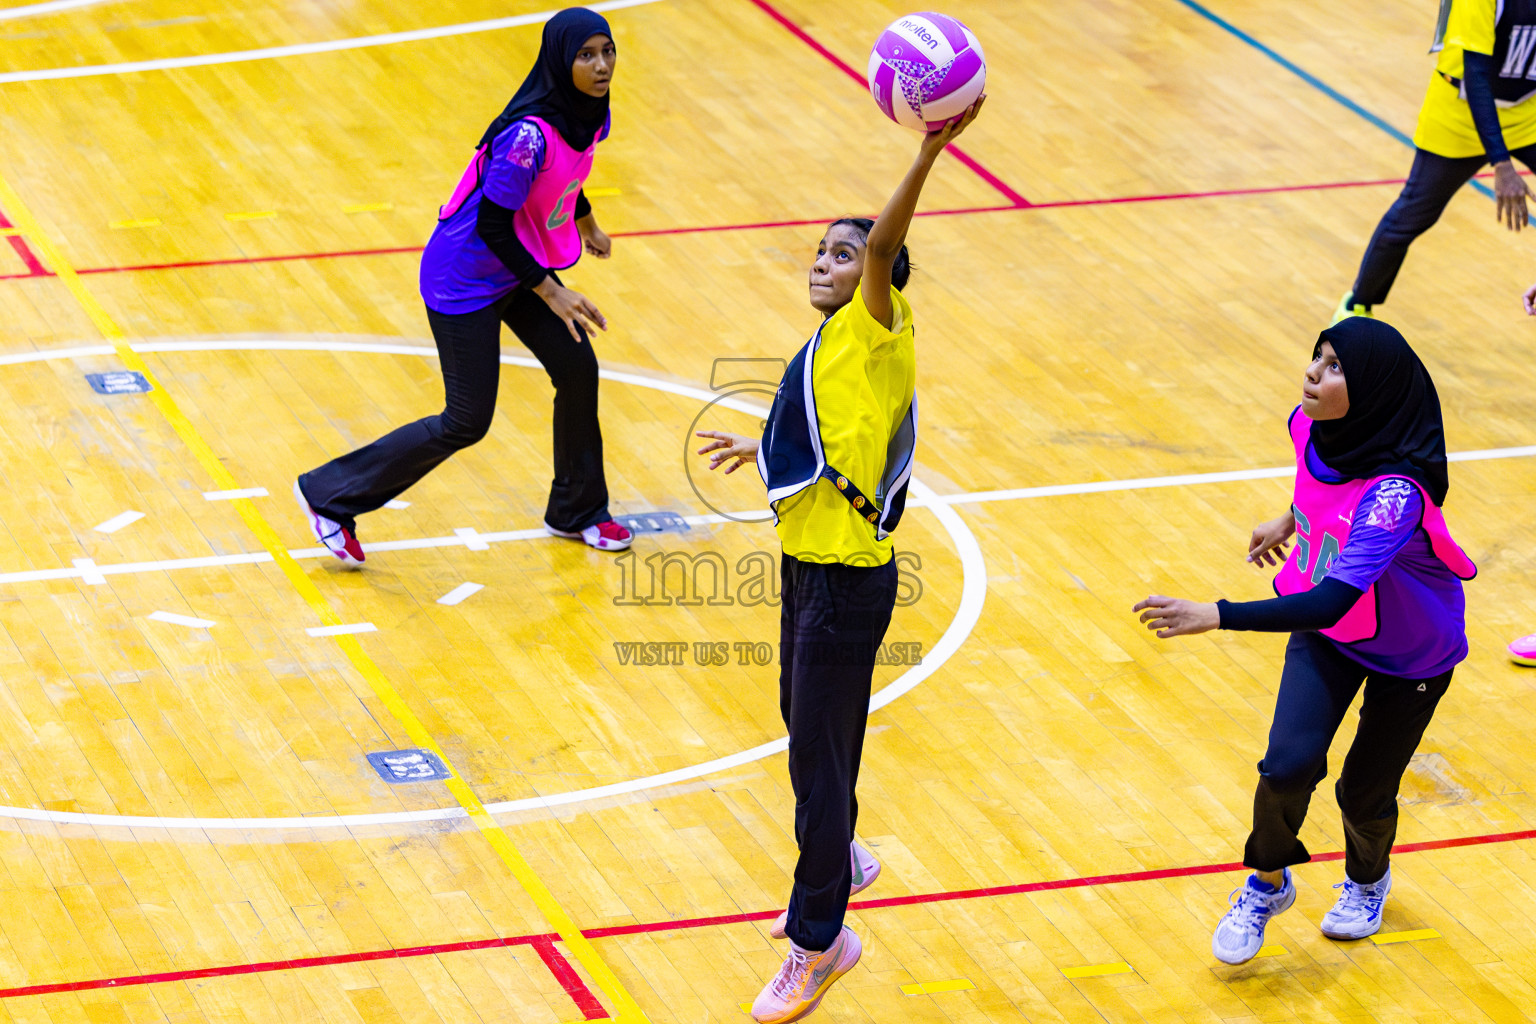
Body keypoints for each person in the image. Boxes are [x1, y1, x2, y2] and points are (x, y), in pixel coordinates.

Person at [694, 98, 984, 1023]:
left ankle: (824, 941)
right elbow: (825, 426)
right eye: (820, 251)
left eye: (845, 253)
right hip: (806, 565)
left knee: (818, 768)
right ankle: (845, 850)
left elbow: (889, 241)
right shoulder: (829, 342)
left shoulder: (877, 320)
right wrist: (763, 447)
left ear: (883, 275)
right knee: (803, 729)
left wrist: (928, 155)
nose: (827, 262)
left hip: (846, 582)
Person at [1133, 317, 1476, 965]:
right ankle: (1267, 882)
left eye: (1337, 366)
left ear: (1372, 391)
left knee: (1363, 792)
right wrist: (1289, 517)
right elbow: (1320, 490)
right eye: (1317, 357)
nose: (1314, 373)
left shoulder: (1394, 497)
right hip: (1330, 635)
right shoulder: (1308, 424)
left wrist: (1218, 613)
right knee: (1286, 767)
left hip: (1410, 652)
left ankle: (1368, 882)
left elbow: (1332, 596)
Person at [295, 7, 632, 561]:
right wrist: (552, 290)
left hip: (515, 266)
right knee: (466, 419)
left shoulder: (590, 111)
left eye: (607, 51)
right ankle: (328, 495)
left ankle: (578, 510)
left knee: (577, 367)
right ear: (558, 61)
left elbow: (566, 176)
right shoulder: (526, 136)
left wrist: (586, 219)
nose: (601, 66)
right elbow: (493, 223)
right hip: (467, 277)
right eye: (586, 55)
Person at [1334, 0, 1536, 324]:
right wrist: (1502, 164)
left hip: (1527, 111)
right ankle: (1355, 308)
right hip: (1461, 113)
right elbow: (1476, 75)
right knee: (1412, 216)